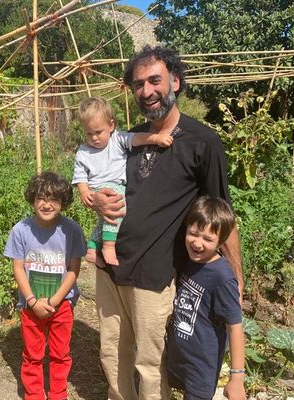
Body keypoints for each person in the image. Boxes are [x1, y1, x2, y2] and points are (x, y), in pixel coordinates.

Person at [92, 45, 243, 400]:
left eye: (155, 80)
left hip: (153, 274)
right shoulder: (128, 139)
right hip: (110, 267)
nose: (147, 91)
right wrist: (96, 198)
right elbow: (103, 183)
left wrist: (236, 278)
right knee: (112, 354)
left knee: (149, 364)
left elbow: (223, 215)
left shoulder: (203, 142)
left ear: (175, 81)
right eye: (139, 84)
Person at [4, 171, 86, 400]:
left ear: (63, 202)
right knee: (33, 354)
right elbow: (18, 268)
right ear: (32, 199)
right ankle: (34, 394)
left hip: (61, 305)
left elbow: (73, 269)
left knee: (60, 353)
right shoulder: (21, 230)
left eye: (54, 199)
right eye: (41, 198)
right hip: (31, 306)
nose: (47, 204)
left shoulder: (72, 231)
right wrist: (31, 301)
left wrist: (54, 301)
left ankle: (58, 393)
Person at [72, 96, 173, 265]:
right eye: (89, 133)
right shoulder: (83, 151)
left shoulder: (117, 139)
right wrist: (84, 191)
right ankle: (109, 246)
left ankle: (92, 247)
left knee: (104, 220)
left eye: (98, 132)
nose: (94, 138)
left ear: (111, 126)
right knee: (117, 210)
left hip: (111, 187)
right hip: (102, 189)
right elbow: (80, 174)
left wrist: (155, 138)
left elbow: (136, 138)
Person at [166, 196, 245, 400]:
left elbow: (235, 326)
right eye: (193, 233)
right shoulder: (187, 259)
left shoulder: (222, 277)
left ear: (221, 241)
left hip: (201, 367)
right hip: (177, 356)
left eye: (208, 239)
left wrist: (237, 377)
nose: (197, 243)